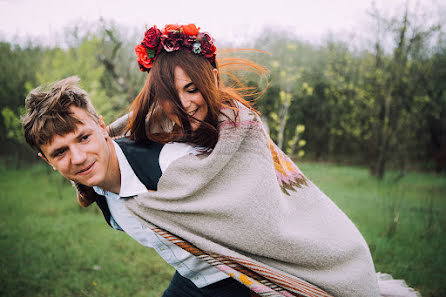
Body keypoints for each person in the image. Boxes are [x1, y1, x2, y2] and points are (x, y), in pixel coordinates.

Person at [103, 23, 421, 297]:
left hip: (252, 261)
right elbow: (113, 144)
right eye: (173, 94)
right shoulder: (156, 123)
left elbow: (261, 211)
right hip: (201, 266)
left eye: (192, 89)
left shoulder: (243, 127)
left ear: (210, 80)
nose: (185, 103)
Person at [21, 76, 253, 297]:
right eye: (60, 152)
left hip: (242, 276)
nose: (79, 158)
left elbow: (251, 214)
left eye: (84, 138)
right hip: (192, 277)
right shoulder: (96, 191)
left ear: (102, 128)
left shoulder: (170, 164)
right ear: (47, 161)